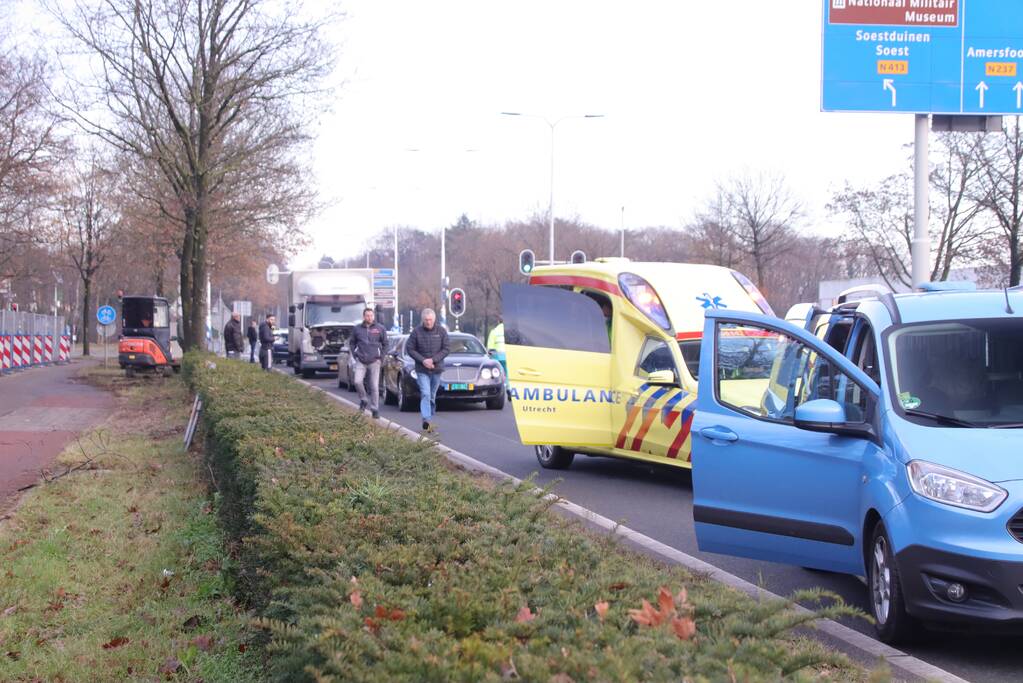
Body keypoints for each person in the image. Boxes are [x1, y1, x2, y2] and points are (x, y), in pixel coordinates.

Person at [405, 308, 450, 432]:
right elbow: (410, 348)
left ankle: (429, 414)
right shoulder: (416, 332)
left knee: (432, 395)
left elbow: (446, 349)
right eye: (426, 320)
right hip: (422, 369)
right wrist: (423, 360)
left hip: (437, 368)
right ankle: (427, 419)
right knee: (425, 393)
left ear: (434, 319)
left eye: (430, 320)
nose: (428, 322)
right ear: (423, 320)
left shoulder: (441, 331)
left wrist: (433, 360)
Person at [350, 307, 387, 418]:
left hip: (375, 361)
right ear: (364, 316)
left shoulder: (380, 328)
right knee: (357, 381)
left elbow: (386, 344)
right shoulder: (357, 329)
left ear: (374, 316)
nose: (369, 317)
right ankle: (363, 399)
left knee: (374, 386)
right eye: (367, 316)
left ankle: (375, 409)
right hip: (361, 360)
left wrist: (381, 357)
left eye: (371, 315)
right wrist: (355, 354)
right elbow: (352, 343)